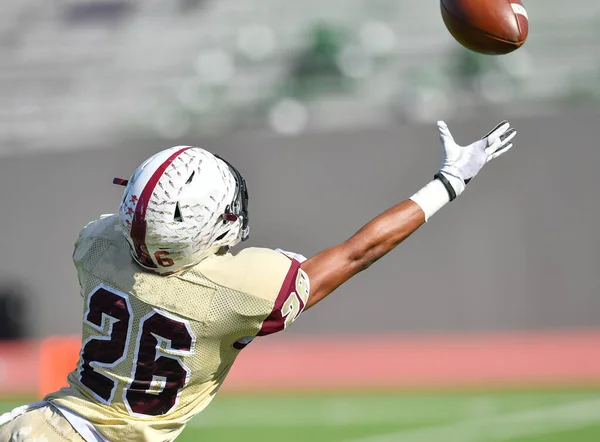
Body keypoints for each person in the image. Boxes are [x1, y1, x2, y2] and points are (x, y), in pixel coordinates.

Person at [0, 120, 516, 441]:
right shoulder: (234, 292)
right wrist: (447, 184)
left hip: (39, 424)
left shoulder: (97, 245)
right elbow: (359, 252)